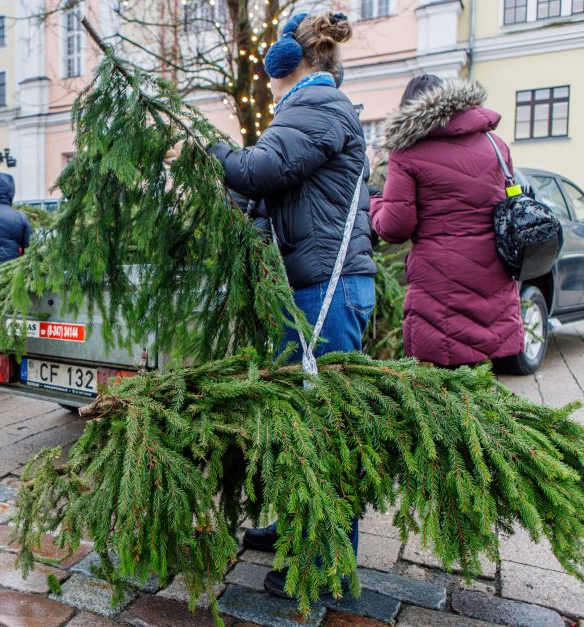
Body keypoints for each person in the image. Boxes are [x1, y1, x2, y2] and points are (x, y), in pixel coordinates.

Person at [207, 11, 376, 598]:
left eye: (272, 67)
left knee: (326, 430)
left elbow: (262, 169)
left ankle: (328, 563)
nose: (267, 80)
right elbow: (271, 187)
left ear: (289, 63)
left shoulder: (315, 108)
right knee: (299, 421)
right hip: (310, 286)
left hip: (321, 293)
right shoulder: (316, 110)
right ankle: (298, 524)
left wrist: (207, 151)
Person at [370, 75, 523, 367]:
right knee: (482, 378)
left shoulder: (407, 153)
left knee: (443, 390)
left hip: (441, 285)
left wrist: (374, 203)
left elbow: (394, 228)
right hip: (493, 276)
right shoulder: (495, 144)